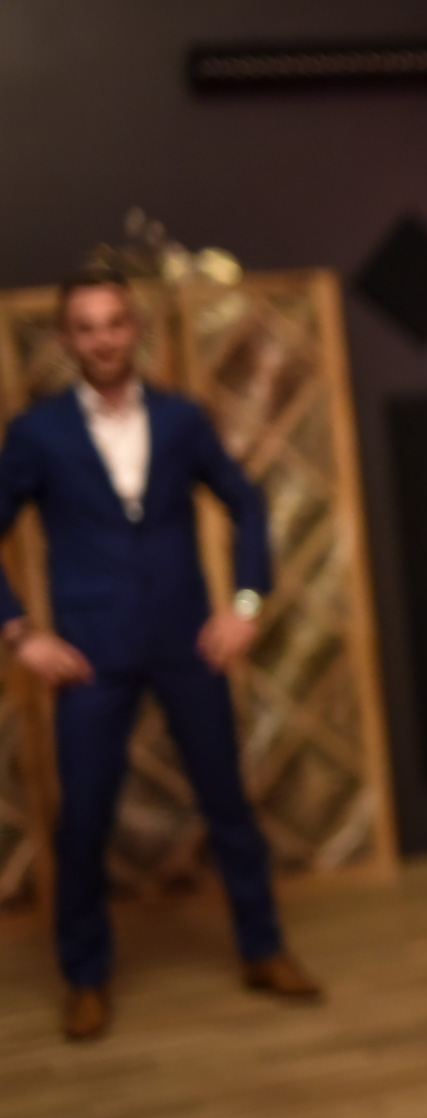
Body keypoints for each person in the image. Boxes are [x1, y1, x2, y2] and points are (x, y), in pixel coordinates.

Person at [0, 266, 322, 1043]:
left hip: (188, 645)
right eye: (86, 327)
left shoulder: (182, 419)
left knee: (229, 805)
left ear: (135, 329)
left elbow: (246, 504)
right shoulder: (38, 433)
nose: (103, 339)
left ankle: (264, 950)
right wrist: (19, 633)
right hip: (91, 657)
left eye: (114, 323)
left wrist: (246, 605)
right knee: (83, 822)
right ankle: (85, 978)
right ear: (66, 339)